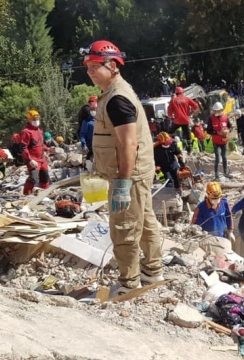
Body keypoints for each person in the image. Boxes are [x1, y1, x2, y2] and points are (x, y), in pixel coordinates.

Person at [82, 39, 163, 295]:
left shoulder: (117, 99)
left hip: (129, 174)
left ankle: (128, 284)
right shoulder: (113, 92)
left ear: (113, 66)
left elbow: (129, 144)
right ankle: (153, 271)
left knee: (124, 227)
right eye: (88, 66)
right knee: (146, 221)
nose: (90, 71)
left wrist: (122, 184)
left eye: (96, 66)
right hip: (136, 172)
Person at [20, 110, 53, 195]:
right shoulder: (26, 132)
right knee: (33, 178)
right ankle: (26, 194)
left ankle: (45, 194)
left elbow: (40, 145)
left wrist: (49, 149)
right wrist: (30, 160)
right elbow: (23, 147)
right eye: (33, 119)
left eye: (37, 119)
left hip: (42, 159)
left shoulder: (39, 130)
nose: (36, 121)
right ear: (28, 120)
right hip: (34, 159)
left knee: (45, 177)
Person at [167, 86, 199, 155]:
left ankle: (169, 145)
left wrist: (171, 116)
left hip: (177, 121)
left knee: (170, 132)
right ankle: (189, 149)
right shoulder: (187, 99)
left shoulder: (173, 100)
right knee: (188, 134)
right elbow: (196, 106)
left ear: (176, 93)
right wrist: (191, 112)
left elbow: (169, 112)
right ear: (182, 92)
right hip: (185, 120)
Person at [206, 102, 233, 179]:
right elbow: (208, 130)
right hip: (216, 142)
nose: (215, 112)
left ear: (221, 110)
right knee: (218, 158)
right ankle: (216, 175)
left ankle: (225, 172)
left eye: (217, 111)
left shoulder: (225, 117)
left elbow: (230, 127)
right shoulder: (211, 119)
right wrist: (217, 132)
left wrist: (228, 130)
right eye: (214, 111)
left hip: (224, 141)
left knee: (224, 157)